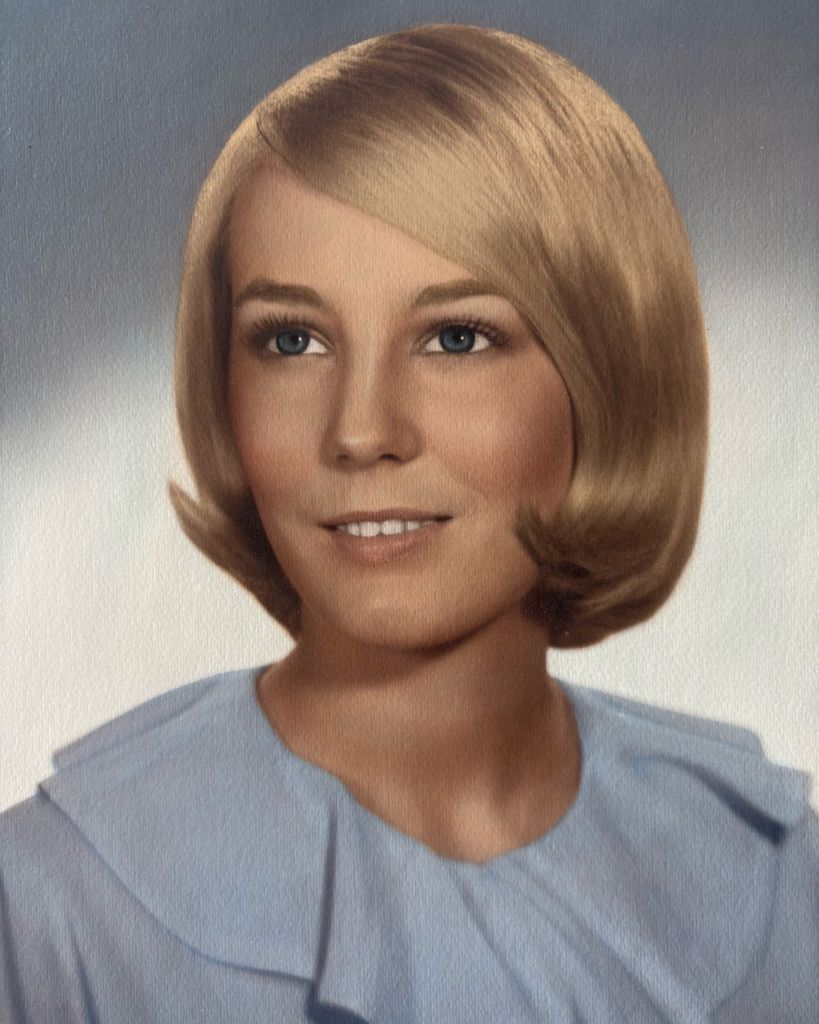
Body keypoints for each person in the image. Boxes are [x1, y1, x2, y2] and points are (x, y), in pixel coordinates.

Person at [1, 23, 816, 1024]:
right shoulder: (56, 904)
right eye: (291, 341)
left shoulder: (773, 878)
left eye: (456, 337)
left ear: (608, 373)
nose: (361, 431)